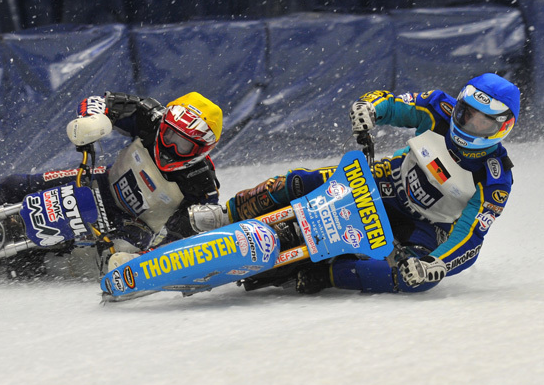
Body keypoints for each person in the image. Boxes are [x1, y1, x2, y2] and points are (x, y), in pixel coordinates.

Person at [190, 73, 520, 294]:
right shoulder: (439, 107)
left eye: (481, 122)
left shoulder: (495, 178)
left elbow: (471, 236)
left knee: (414, 282)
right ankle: (226, 213)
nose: (467, 125)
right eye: (465, 114)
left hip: (424, 228)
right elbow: (391, 103)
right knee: (302, 180)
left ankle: (329, 275)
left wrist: (436, 265)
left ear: (503, 127)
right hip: (384, 183)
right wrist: (368, 109)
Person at [0, 91, 224, 278]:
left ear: (201, 150)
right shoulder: (151, 116)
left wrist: (150, 256)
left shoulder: (202, 185)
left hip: (134, 223)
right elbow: (101, 101)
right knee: (16, 183)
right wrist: (94, 120)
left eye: (184, 144)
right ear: (163, 122)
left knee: (112, 260)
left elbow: (188, 235)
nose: (171, 147)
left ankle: (27, 265)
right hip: (100, 181)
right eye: (169, 135)